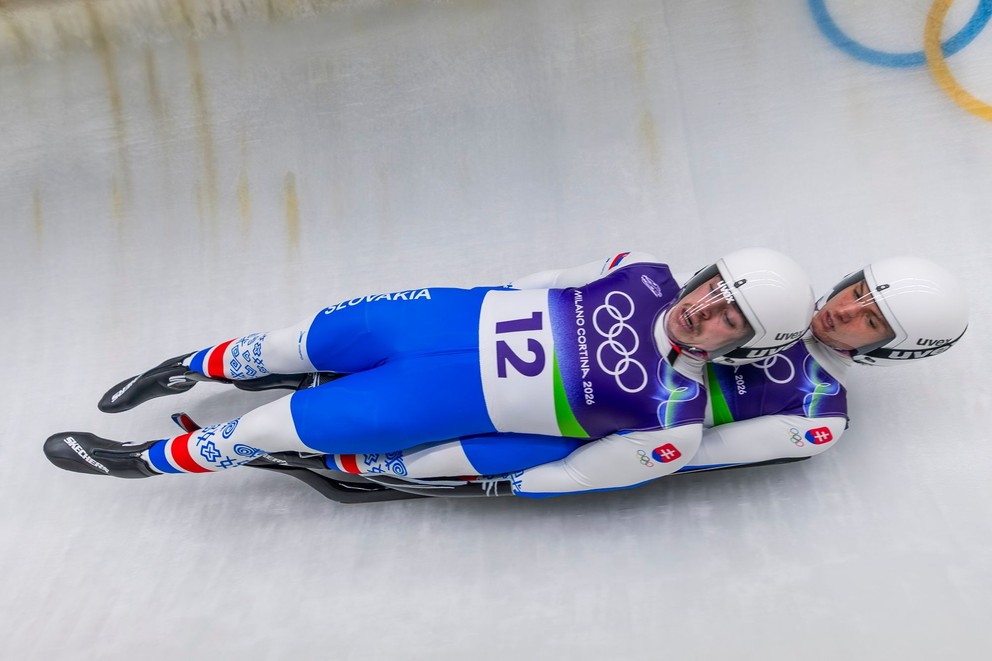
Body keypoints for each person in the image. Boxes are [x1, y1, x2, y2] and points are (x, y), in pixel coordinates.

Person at [44, 248, 814, 498]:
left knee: (268, 426)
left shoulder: (672, 422)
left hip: (428, 401)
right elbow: (542, 280)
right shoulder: (642, 272)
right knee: (292, 342)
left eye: (727, 318)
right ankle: (185, 367)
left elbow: (568, 471)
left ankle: (138, 461)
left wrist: (442, 470)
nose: (704, 309)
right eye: (714, 288)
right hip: (439, 320)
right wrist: (467, 296)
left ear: (744, 346)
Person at [318, 256, 967, 494]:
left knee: (520, 441)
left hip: (605, 423)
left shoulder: (819, 414)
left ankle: (396, 466)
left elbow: (694, 455)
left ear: (894, 351)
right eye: (858, 291)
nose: (843, 309)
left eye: (868, 321)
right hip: (569, 353)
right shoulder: (777, 286)